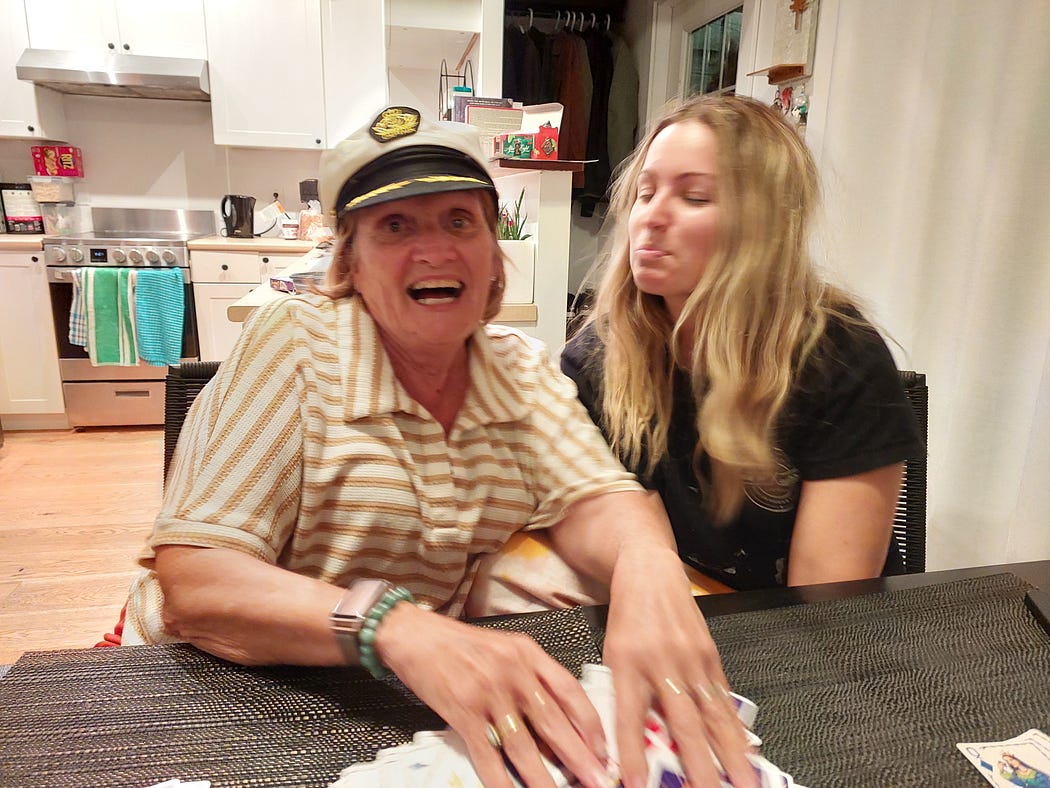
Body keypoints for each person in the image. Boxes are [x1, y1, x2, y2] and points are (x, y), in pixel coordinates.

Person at [120, 106, 756, 788]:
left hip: (385, 698)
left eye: (459, 221)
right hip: (201, 688)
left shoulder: (518, 368)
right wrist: (391, 625)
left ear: (492, 255)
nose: (435, 250)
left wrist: (646, 567)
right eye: (395, 226)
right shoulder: (295, 342)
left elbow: (598, 495)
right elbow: (197, 579)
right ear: (350, 262)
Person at [562, 94, 924, 592]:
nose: (651, 217)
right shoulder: (596, 357)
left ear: (763, 225)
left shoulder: (841, 358)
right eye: (645, 193)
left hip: (810, 630)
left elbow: (827, 605)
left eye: (694, 197)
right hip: (673, 606)